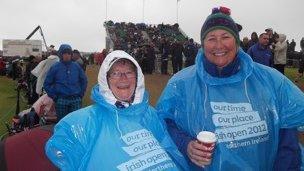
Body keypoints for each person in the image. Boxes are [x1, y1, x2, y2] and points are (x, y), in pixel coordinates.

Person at [156, 6, 304, 170]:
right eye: (211, 38)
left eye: (225, 36)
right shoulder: (181, 83)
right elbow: (163, 123)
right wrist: (186, 145)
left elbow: (288, 142)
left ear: (237, 41)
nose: (219, 45)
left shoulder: (271, 80)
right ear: (203, 44)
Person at [45, 50, 188, 170]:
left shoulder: (150, 114)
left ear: (138, 78)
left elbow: (170, 151)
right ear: (105, 80)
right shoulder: (83, 122)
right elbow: (60, 151)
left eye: (129, 72)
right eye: (115, 73)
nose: (123, 78)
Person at [44, 44, 87, 121]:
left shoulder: (76, 66)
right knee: (62, 122)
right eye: (64, 53)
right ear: (61, 54)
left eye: (69, 53)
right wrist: (55, 97)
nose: (67, 55)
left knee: (76, 121)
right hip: (61, 100)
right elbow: (47, 84)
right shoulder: (55, 67)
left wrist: (81, 94)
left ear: (71, 54)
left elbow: (84, 80)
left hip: (75, 99)